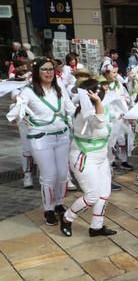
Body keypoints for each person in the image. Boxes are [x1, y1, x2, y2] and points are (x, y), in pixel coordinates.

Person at [15, 58, 75, 225]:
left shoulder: (59, 88)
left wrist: (85, 108)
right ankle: (48, 209)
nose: (49, 72)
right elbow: (18, 111)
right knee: (49, 175)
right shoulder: (28, 91)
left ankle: (59, 204)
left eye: (51, 69)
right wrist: (21, 115)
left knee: (63, 174)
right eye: (44, 69)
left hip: (62, 136)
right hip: (41, 138)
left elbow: (69, 107)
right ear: (37, 72)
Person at [60, 79, 117, 237]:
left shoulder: (102, 109)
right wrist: (98, 103)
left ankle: (96, 227)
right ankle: (67, 218)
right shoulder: (85, 114)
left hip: (101, 158)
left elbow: (108, 124)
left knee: (104, 193)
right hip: (84, 157)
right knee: (92, 195)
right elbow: (99, 123)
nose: (104, 90)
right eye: (99, 90)